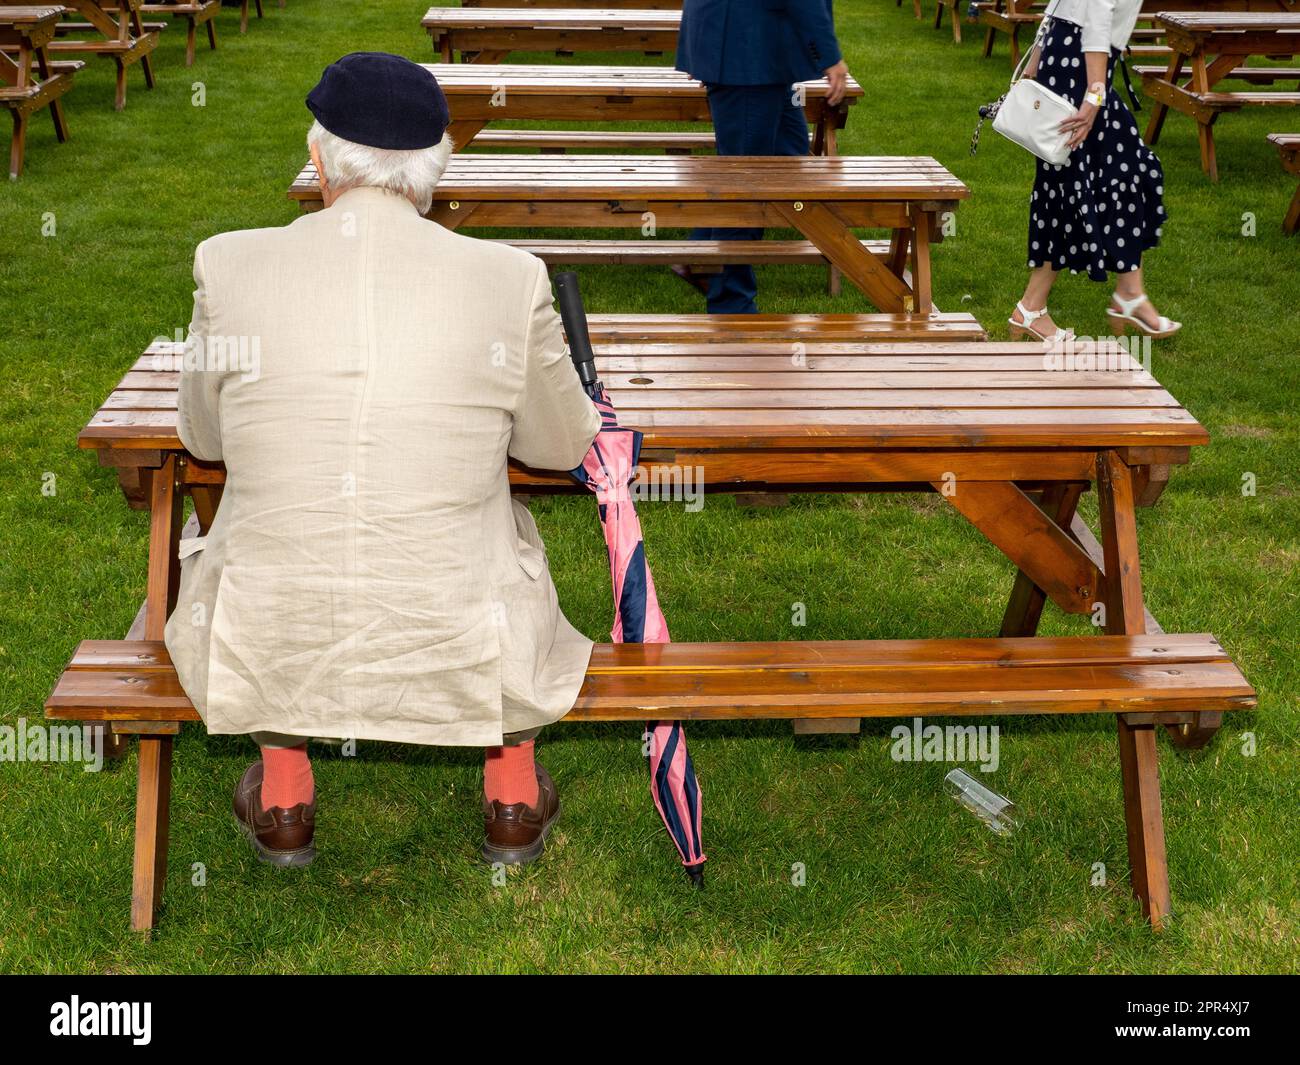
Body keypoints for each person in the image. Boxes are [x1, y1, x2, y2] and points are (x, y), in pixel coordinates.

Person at [164, 53, 601, 870]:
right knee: (500, 537)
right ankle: (510, 793)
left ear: (321, 156)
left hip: (271, 622)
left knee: (265, 539)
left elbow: (202, 438)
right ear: (437, 169)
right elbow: (559, 445)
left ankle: (285, 794)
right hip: (457, 626)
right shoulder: (510, 277)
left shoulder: (228, 262)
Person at [1010, 0, 1180, 342]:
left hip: (1071, 53)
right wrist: (1094, 93)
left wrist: (1038, 57)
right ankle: (1033, 308)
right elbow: (1099, 9)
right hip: (1083, 59)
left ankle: (1127, 294)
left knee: (1115, 173)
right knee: (1083, 181)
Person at [674, 0, 851, 313]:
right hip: (747, 53)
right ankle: (731, 303)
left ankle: (700, 256)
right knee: (746, 186)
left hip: (761, 50)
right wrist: (830, 56)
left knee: (790, 159)